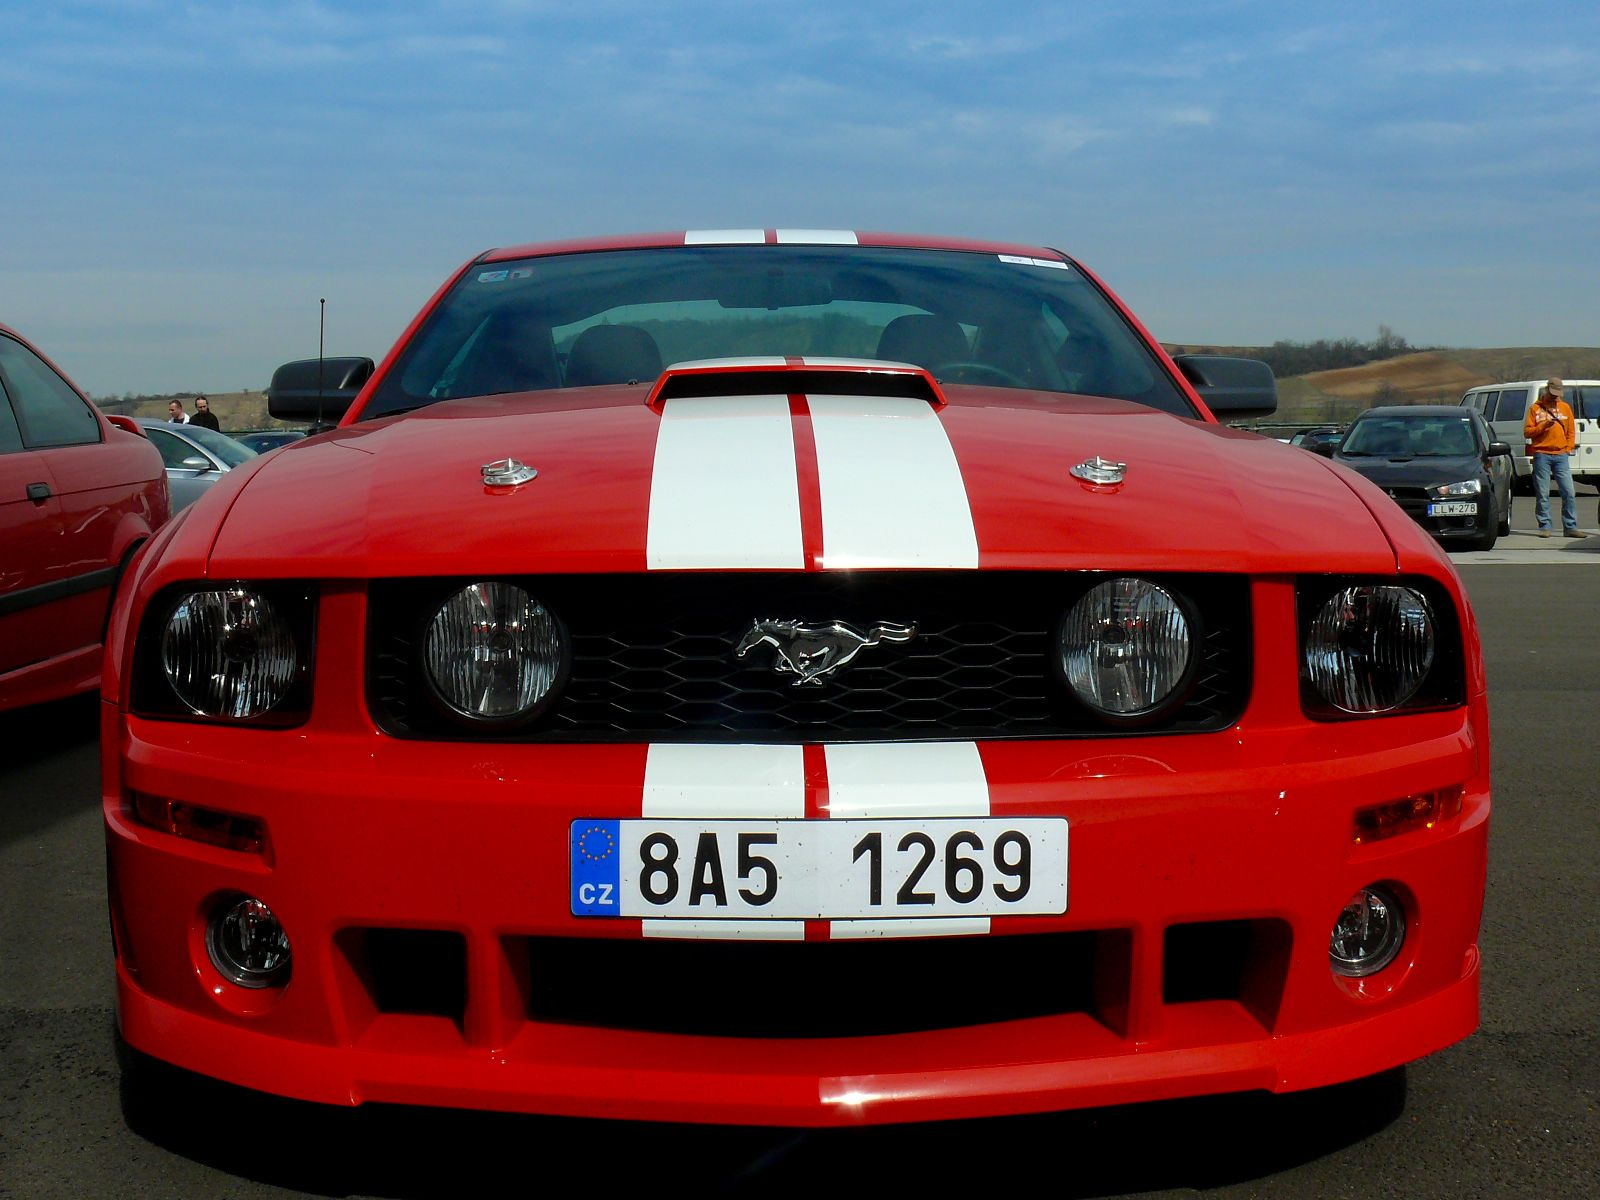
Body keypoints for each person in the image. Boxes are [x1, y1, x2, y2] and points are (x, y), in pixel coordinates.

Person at [1524, 378, 1587, 538]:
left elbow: (1571, 431)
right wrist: (1542, 427)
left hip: (1561, 455)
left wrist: (1568, 447)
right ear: (1547, 390)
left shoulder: (1565, 408)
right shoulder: (1535, 409)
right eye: (1552, 394)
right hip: (1541, 454)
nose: (1555, 397)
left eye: (1557, 394)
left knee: (1568, 492)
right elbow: (1527, 432)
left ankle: (1570, 526)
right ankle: (1545, 525)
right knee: (1543, 492)